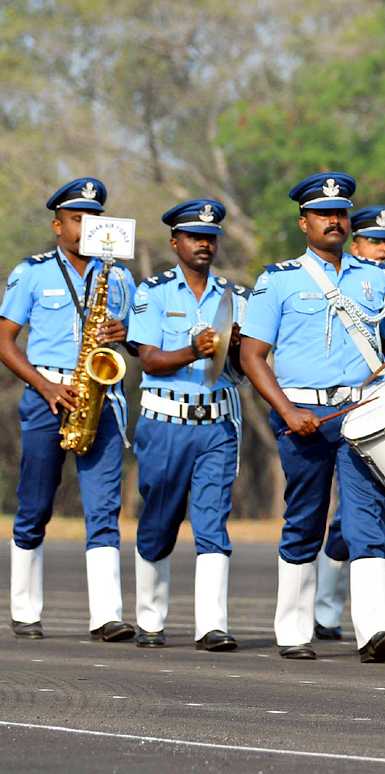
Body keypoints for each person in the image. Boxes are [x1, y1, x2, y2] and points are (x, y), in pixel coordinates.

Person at [240, 173, 385, 661]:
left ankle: (374, 631)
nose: (334, 221)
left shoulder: (377, 278)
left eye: (340, 214)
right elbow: (252, 355)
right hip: (302, 413)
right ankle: (293, 630)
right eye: (323, 214)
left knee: (366, 521)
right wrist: (288, 411)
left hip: (362, 412)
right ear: (304, 222)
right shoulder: (279, 279)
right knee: (306, 519)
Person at [0, 178, 136, 641]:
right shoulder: (32, 272)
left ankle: (106, 616)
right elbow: (5, 341)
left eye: (95, 219)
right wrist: (44, 386)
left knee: (104, 509)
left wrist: (124, 337)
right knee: (35, 506)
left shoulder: (119, 275)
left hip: (103, 397)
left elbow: (138, 343)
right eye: (78, 219)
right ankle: (24, 610)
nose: (87, 228)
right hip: (46, 394)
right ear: (58, 225)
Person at [126, 200, 247, 651]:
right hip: (164, 424)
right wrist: (195, 351)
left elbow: (243, 367)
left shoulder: (237, 296)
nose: (204, 244)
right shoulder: (152, 292)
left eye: (210, 237)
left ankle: (211, 625)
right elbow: (151, 361)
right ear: (175, 242)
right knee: (159, 522)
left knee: (213, 522)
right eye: (195, 237)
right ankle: (151, 620)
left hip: (217, 424)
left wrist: (234, 348)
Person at [313, 203, 385, 641]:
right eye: (374, 241)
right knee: (348, 521)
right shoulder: (348, 285)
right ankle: (327, 606)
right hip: (355, 408)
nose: (384, 250)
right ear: (356, 243)